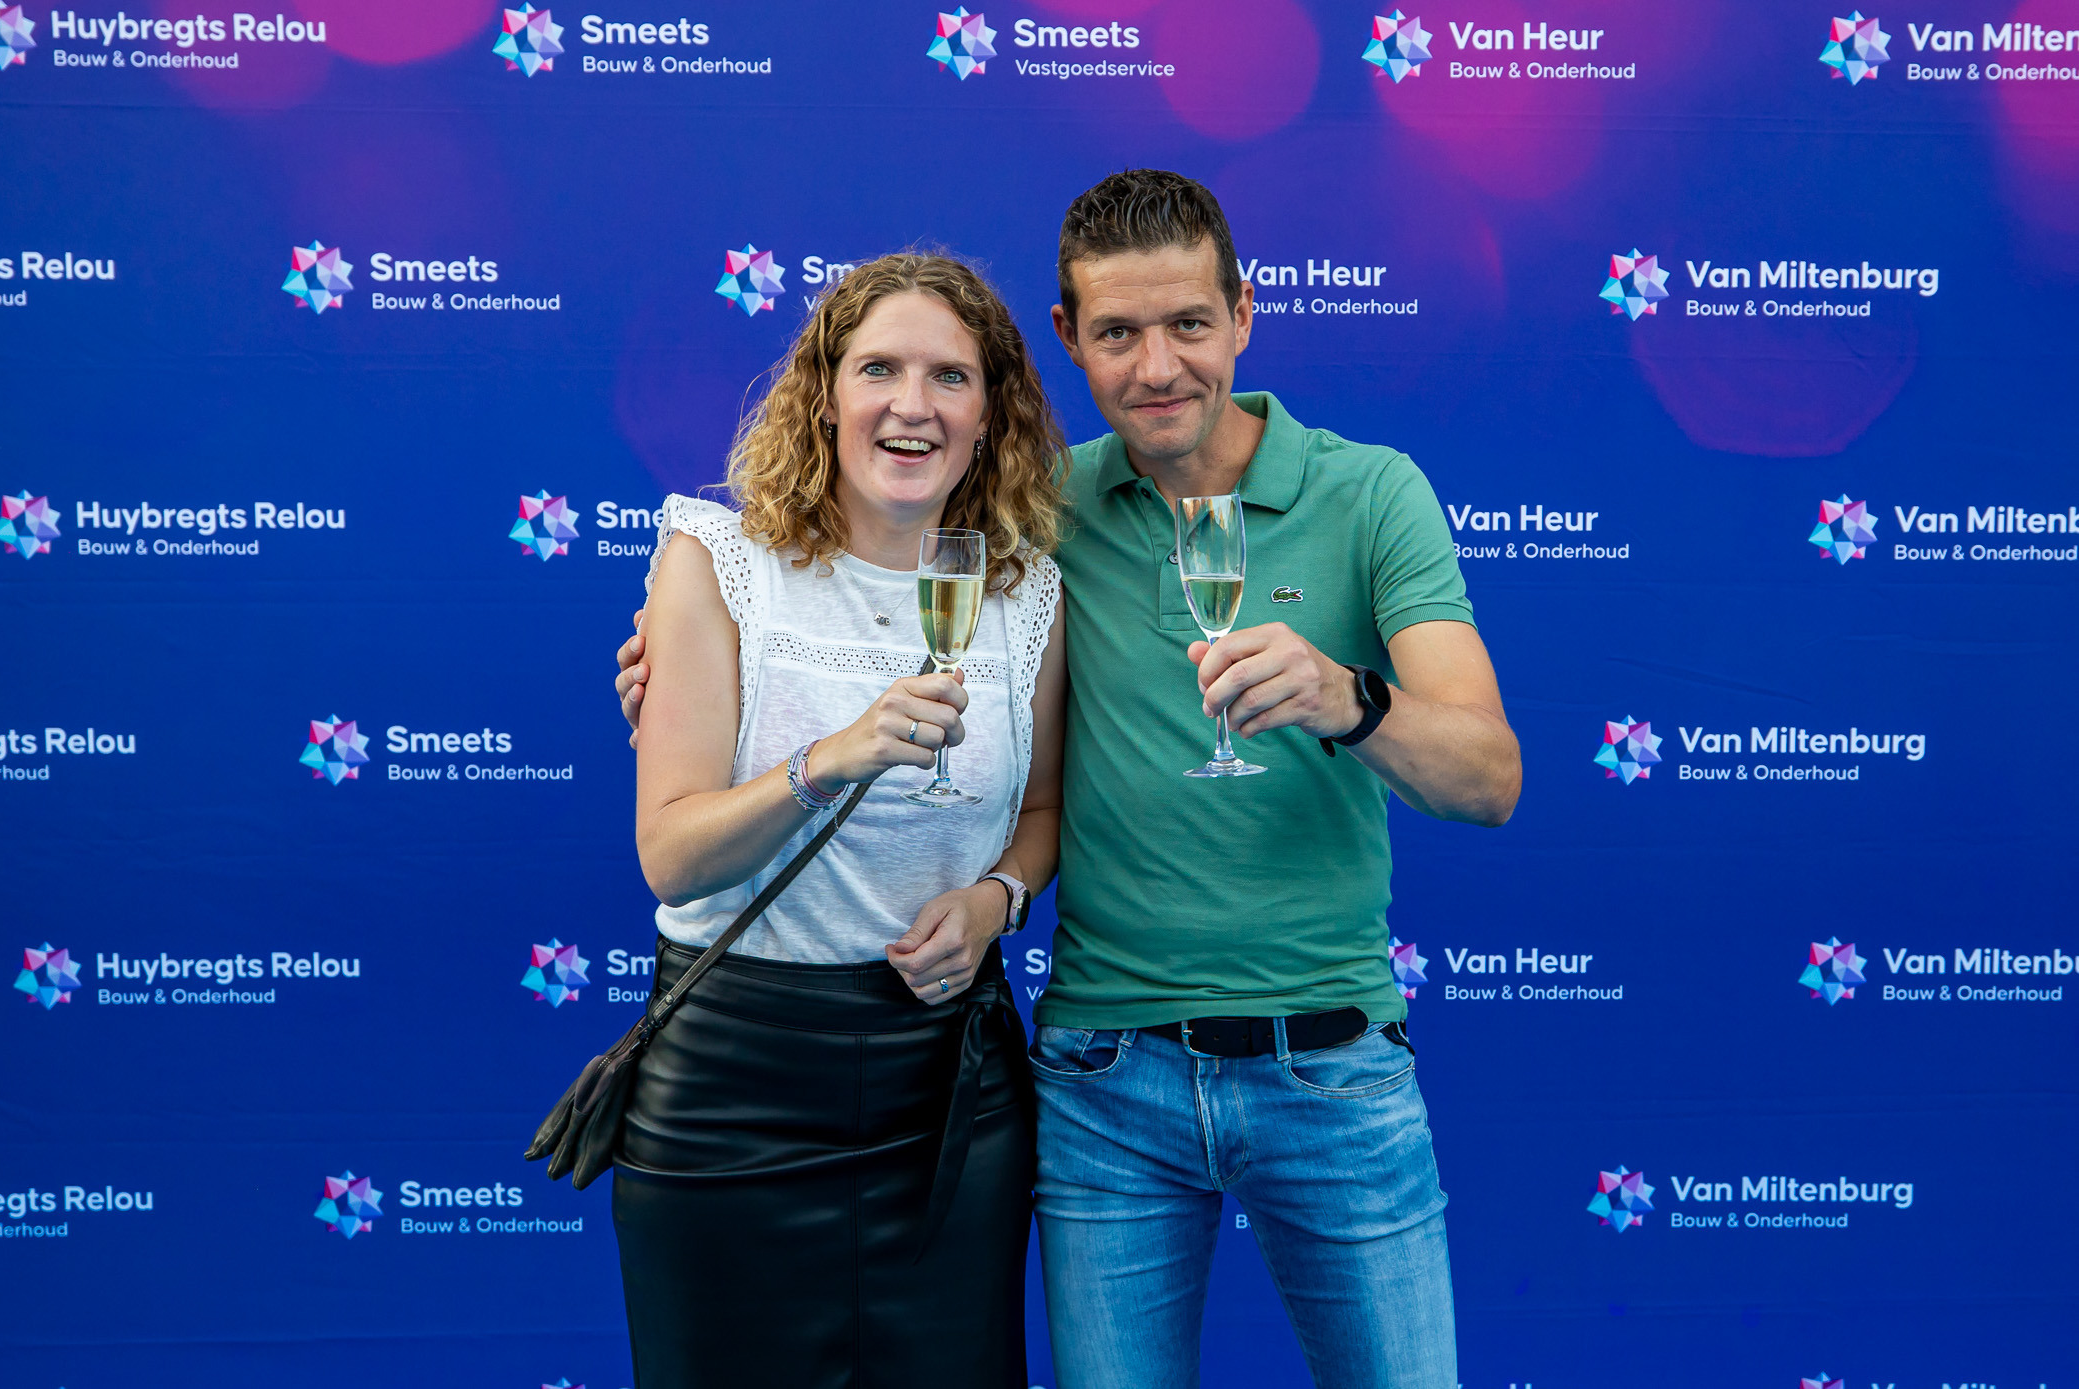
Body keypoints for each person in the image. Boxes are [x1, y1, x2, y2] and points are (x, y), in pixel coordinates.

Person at [619, 172, 1521, 1389]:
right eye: (1117, 333)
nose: (1156, 367)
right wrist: (673, 664)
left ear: (1242, 314)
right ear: (1068, 340)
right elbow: (822, 611)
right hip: (1105, 1082)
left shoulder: (1365, 494)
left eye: (1187, 324)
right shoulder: (1043, 516)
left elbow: (1487, 781)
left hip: (1331, 1065)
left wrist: (1345, 698)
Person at [614, 251, 1068, 1389]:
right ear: (823, 394)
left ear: (990, 414)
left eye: (950, 377)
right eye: (878, 369)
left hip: (947, 1088)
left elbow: (1042, 810)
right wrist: (832, 759)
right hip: (735, 1085)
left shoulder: (1028, 595)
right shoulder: (719, 564)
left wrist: (996, 898)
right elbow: (672, 856)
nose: (913, 405)